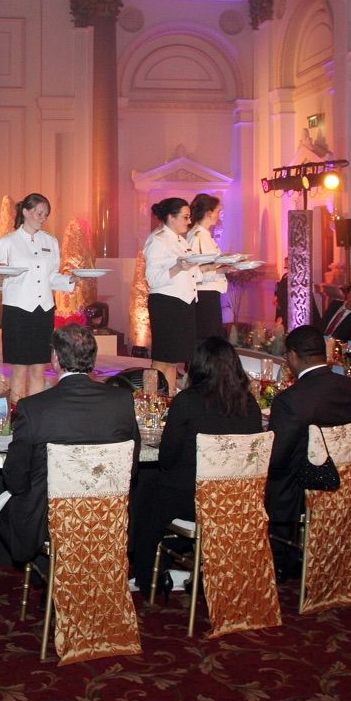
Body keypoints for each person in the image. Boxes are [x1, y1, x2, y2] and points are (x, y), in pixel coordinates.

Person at [0, 324, 139, 569]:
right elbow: (131, 470)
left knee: (1, 508)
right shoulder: (122, 401)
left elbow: (16, 479)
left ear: (55, 359)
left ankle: (49, 571)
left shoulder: (34, 407)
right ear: (93, 358)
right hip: (106, 517)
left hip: (50, 522)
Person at [128, 336, 261, 593]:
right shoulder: (250, 404)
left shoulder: (188, 401)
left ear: (197, 367)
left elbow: (167, 459)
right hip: (237, 500)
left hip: (194, 501)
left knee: (145, 492)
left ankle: (148, 575)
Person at [265, 325, 351, 578]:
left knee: (265, 474)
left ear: (292, 357)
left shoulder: (291, 399)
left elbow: (277, 458)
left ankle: (279, 557)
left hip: (304, 488)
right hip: (345, 479)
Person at [0, 193, 76, 403]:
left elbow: (52, 278)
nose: (42, 217)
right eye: (39, 212)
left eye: (45, 214)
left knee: (39, 368)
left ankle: (34, 414)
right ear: (26, 212)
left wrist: (72, 280)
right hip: (17, 311)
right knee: (19, 369)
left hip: (43, 310)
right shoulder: (7, 242)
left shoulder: (51, 241)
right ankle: (18, 415)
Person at [144, 197, 203, 392]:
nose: (189, 221)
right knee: (162, 361)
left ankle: (168, 402)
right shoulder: (158, 240)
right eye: (185, 217)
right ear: (171, 217)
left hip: (182, 303)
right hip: (166, 304)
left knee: (172, 362)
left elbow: (192, 273)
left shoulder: (179, 240)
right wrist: (178, 266)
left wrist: (216, 267)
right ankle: (152, 403)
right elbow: (153, 279)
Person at [187, 194, 227, 340]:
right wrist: (220, 267)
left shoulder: (204, 235)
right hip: (204, 293)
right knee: (206, 339)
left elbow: (209, 265)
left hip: (209, 291)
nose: (219, 216)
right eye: (218, 212)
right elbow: (194, 269)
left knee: (210, 339)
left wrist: (225, 268)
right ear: (209, 213)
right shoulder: (197, 236)